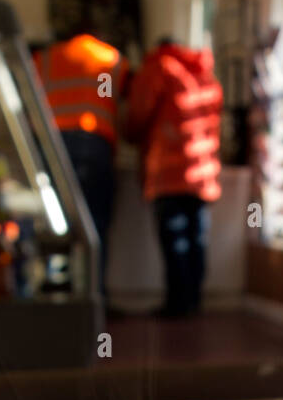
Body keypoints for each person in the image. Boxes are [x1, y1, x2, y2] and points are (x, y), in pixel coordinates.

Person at [123, 37, 222, 317]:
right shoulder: (203, 72)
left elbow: (138, 114)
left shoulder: (158, 68)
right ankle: (193, 300)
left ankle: (178, 304)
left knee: (175, 239)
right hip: (202, 172)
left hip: (169, 170)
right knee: (195, 238)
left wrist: (128, 135)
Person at [35, 33, 129, 306]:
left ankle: (59, 296)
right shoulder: (109, 57)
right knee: (94, 224)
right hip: (93, 144)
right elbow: (117, 105)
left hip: (53, 146)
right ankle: (94, 298)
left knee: (56, 224)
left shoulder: (45, 58)